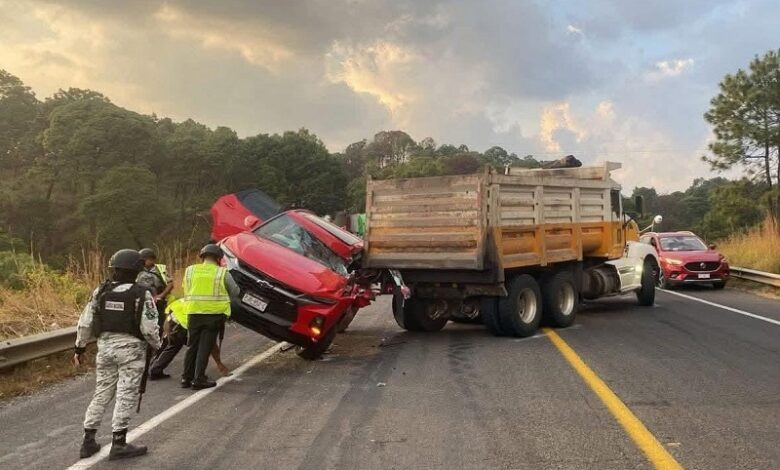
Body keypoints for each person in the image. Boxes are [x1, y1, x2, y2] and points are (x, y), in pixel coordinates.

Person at [73, 249, 161, 461]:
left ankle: (88, 441)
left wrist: (79, 348)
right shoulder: (142, 294)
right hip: (131, 351)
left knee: (102, 392)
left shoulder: (100, 291)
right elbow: (149, 328)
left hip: (105, 349)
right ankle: (119, 443)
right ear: (137, 270)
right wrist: (157, 345)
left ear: (114, 269)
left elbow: (85, 322)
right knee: (126, 393)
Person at [181, 243, 234, 390]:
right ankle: (199, 379)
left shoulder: (190, 271)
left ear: (202, 256)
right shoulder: (222, 273)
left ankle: (186, 378)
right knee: (205, 347)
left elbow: (186, 288)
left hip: (193, 313)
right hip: (213, 315)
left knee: (192, 346)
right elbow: (235, 291)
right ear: (218, 258)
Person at [148, 299, 230, 379]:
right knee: (198, 348)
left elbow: (168, 313)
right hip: (184, 326)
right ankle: (194, 375)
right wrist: (219, 364)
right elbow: (211, 344)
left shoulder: (187, 299)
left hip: (172, 322)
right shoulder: (208, 313)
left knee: (173, 346)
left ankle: (155, 370)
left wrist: (167, 331)